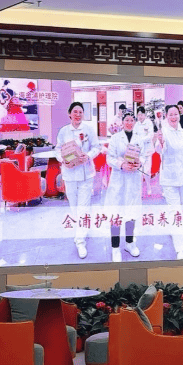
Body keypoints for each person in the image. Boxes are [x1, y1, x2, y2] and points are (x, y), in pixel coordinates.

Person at [55, 102, 101, 259]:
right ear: (69, 113)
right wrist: (62, 159)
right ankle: (82, 229)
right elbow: (58, 149)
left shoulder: (89, 129)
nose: (78, 114)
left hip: (86, 174)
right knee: (74, 207)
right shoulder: (63, 131)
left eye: (80, 112)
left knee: (83, 207)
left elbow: (96, 147)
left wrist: (88, 156)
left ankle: (80, 241)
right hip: (70, 174)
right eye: (75, 111)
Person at [104, 111, 150, 262]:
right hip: (119, 179)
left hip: (133, 179)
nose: (129, 123)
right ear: (122, 122)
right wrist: (121, 164)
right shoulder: (116, 138)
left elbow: (143, 155)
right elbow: (109, 158)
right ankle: (115, 247)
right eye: (127, 120)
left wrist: (139, 163)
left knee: (132, 212)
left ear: (135, 122)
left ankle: (129, 243)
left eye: (132, 120)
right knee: (116, 213)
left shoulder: (139, 138)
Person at [156, 104, 183, 260]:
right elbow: (159, 150)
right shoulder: (163, 132)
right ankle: (180, 248)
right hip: (170, 178)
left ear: (179, 115)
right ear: (166, 116)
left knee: (181, 208)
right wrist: (160, 142)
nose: (173, 117)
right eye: (170, 114)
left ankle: (174, 230)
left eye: (175, 114)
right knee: (175, 211)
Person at [134, 106, 156, 195]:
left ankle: (148, 186)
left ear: (144, 115)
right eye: (138, 115)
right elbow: (134, 135)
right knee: (139, 171)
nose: (140, 117)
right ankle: (139, 190)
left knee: (147, 171)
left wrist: (141, 140)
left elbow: (151, 135)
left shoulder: (149, 123)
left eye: (141, 115)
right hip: (139, 151)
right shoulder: (136, 124)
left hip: (147, 150)